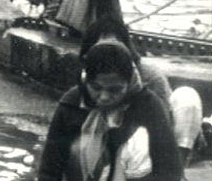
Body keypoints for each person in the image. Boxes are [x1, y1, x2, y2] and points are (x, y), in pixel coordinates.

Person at [37, 42, 182, 181]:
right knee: (78, 146)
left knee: (137, 140)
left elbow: (170, 171)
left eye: (115, 90)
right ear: (86, 79)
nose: (104, 97)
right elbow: (48, 172)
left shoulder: (148, 105)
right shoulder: (71, 103)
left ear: (129, 82)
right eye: (96, 88)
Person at [80, 17, 204, 166]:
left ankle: (180, 163)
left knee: (187, 96)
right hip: (109, 139)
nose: (110, 51)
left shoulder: (150, 76)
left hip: (153, 136)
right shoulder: (86, 79)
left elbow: (161, 123)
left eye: (116, 45)